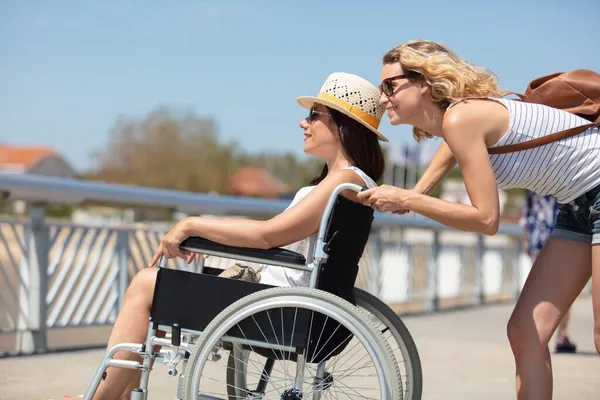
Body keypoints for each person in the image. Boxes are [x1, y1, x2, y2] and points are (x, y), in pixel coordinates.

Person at [65, 72, 388, 400]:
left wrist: (193, 224)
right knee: (157, 294)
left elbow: (267, 235)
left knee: (147, 283)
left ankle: (101, 398)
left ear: (343, 124)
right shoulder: (351, 182)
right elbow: (276, 234)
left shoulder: (343, 181)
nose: (303, 123)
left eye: (313, 115)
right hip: (287, 306)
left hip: (278, 311)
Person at [356, 39, 600, 399]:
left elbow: (487, 220)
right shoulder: (457, 120)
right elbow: (449, 150)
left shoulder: (461, 117)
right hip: (577, 204)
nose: (382, 98)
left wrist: (408, 197)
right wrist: (419, 193)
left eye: (389, 86)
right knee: (525, 331)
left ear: (424, 82)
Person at [521, 190, 577, 353]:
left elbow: (527, 212)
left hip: (537, 236)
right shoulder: (561, 173)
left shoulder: (531, 178)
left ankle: (536, 331)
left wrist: (527, 239)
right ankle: (561, 335)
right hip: (559, 235)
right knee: (563, 289)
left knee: (540, 288)